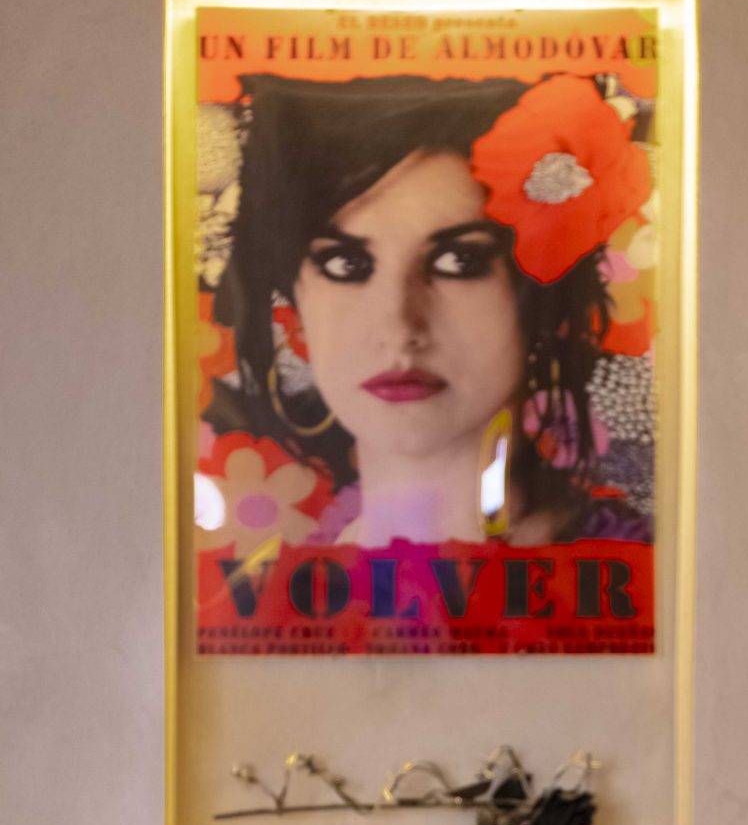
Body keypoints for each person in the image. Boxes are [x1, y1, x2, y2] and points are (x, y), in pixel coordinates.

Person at [205, 70, 653, 548]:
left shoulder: (641, 565)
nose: (399, 326)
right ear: (298, 299)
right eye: (345, 264)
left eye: (459, 261)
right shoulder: (272, 577)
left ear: (543, 297)